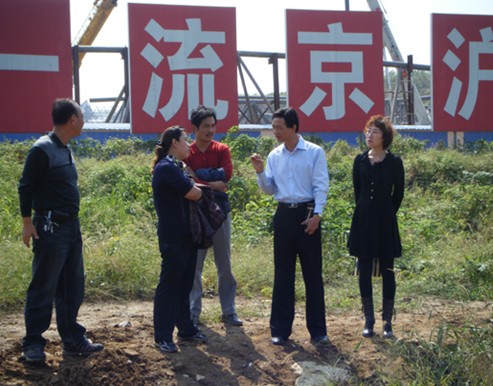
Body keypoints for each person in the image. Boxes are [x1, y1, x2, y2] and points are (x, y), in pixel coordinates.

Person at [18, 98, 104, 363]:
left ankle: (72, 339)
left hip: (70, 227)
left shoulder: (64, 148)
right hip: (50, 228)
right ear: (73, 120)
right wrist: (27, 223)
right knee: (44, 286)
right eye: (82, 116)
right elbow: (25, 186)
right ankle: (33, 343)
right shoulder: (41, 149)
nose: (84, 121)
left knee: (72, 285)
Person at [250, 107, 329, 346]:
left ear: (293, 127)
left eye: (279, 127)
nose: (275, 131)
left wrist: (317, 215)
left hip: (307, 215)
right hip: (284, 216)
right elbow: (269, 190)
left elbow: (321, 185)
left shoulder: (314, 152)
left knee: (312, 275)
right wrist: (260, 172)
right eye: (273, 127)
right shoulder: (274, 156)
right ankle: (280, 330)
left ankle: (318, 331)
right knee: (283, 275)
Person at [347, 115, 405, 339]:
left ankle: (387, 321)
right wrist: (366, 210)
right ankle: (368, 319)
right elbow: (357, 190)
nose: (369, 135)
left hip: (385, 220)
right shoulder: (360, 160)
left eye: (375, 132)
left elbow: (398, 194)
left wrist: (386, 212)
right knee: (364, 269)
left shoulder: (394, 162)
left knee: (388, 270)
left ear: (384, 137)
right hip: (363, 219)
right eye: (368, 131)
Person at [151, 126, 208, 354]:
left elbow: (191, 188)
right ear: (174, 143)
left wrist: (195, 186)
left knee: (184, 284)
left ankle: (186, 328)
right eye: (186, 140)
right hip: (173, 237)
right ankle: (162, 336)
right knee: (169, 286)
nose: (189, 144)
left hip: (186, 235)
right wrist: (201, 189)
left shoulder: (176, 167)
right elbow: (194, 193)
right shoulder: (166, 167)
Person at [185, 105, 243, 327]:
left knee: (224, 264)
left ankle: (229, 312)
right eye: (205, 126)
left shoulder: (222, 149)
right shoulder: (187, 151)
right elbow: (187, 181)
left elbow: (226, 177)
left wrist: (198, 177)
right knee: (195, 266)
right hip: (196, 214)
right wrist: (212, 182)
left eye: (213, 125)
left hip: (219, 213)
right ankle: (193, 313)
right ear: (194, 128)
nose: (210, 130)